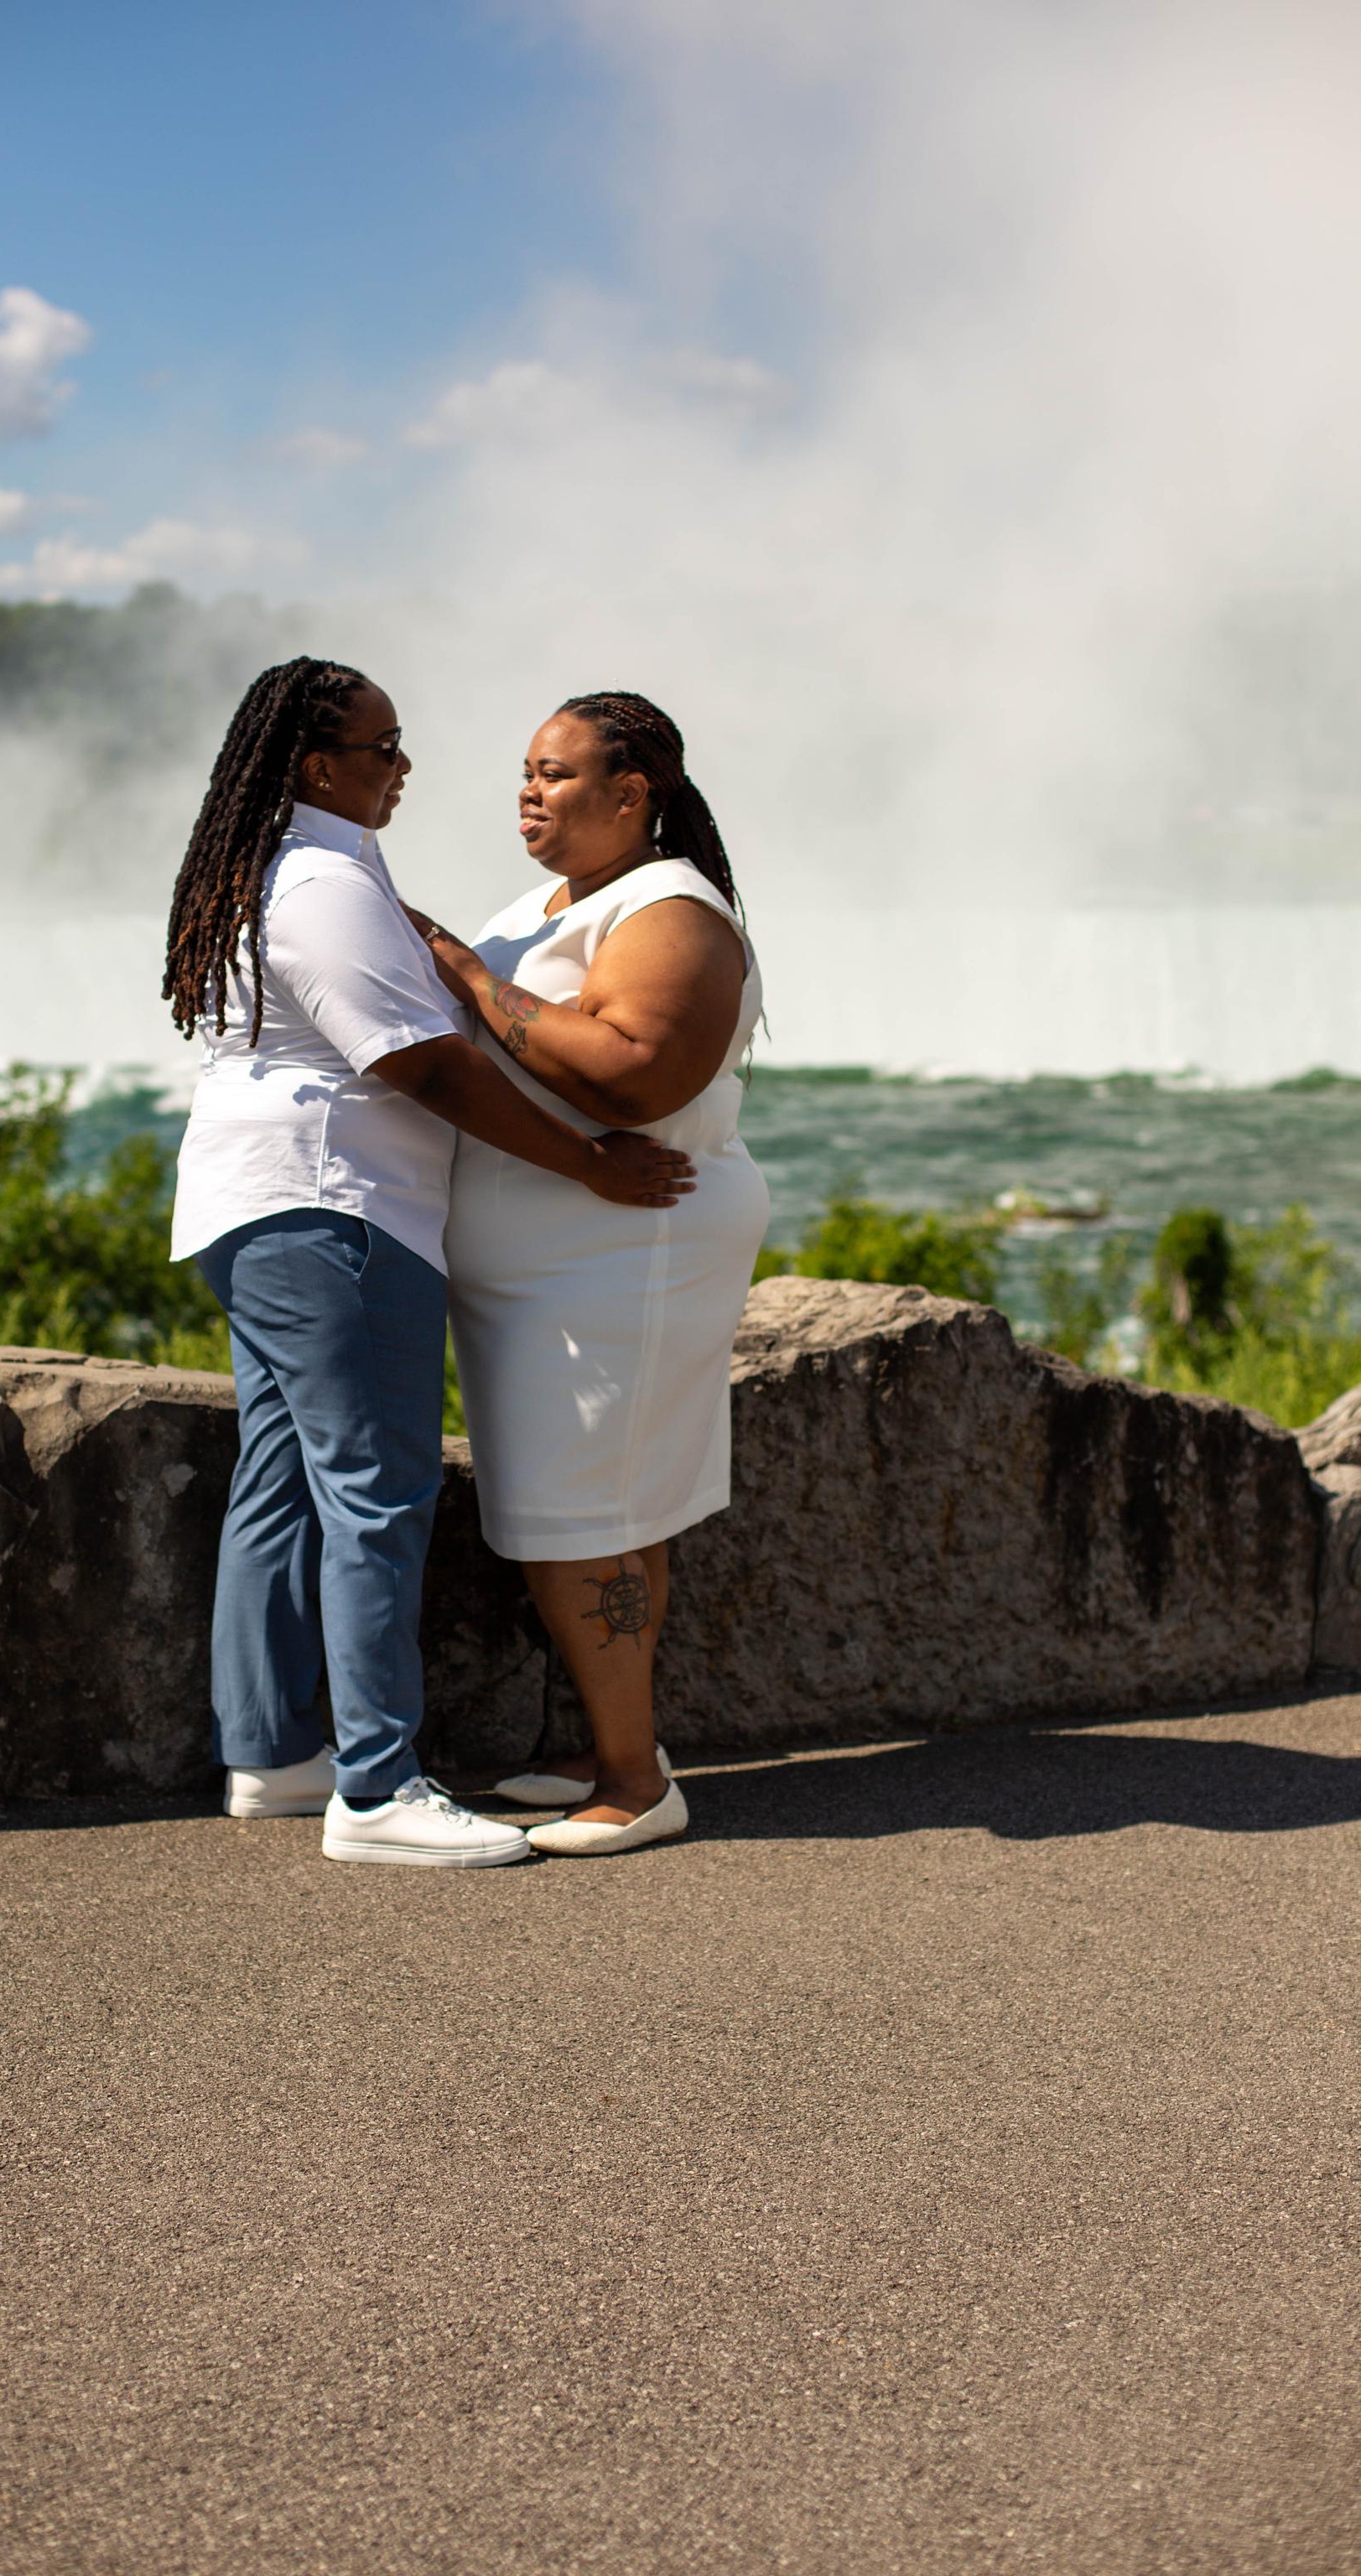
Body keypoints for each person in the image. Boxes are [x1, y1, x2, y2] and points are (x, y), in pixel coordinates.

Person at [164, 658, 694, 1869]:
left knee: (282, 1482)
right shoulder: (323, 883)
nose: (403, 768)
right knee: (377, 1492)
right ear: (316, 767)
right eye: (383, 748)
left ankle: (272, 1756)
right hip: (336, 1211)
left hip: (263, 1204)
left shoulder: (284, 871)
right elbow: (423, 1068)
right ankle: (378, 1787)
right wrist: (587, 1163)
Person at [409, 689, 768, 1858]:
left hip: (624, 1256)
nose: (529, 789)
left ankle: (632, 1782)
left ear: (634, 794)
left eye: (558, 773)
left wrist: (464, 971)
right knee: (614, 1506)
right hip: (559, 1263)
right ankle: (615, 1741)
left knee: (583, 1517)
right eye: (525, 769)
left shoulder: (671, 910)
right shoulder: (557, 904)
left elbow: (635, 1076)